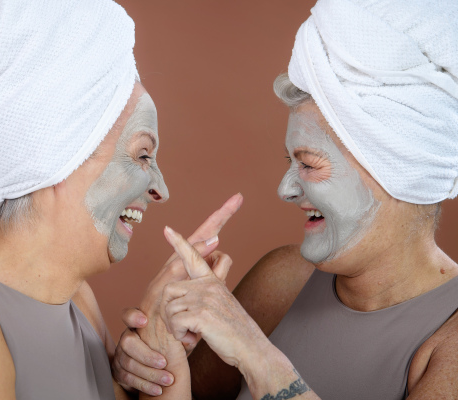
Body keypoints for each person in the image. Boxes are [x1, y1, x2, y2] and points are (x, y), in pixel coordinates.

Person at [0, 0, 243, 398]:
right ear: (54, 159)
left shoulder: (77, 302)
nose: (160, 188)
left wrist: (162, 348)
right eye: (141, 155)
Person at [112, 0, 458, 398]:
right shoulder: (283, 279)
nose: (286, 188)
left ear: (397, 169)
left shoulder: (447, 339)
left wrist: (258, 355)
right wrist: (149, 365)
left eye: (309, 164)